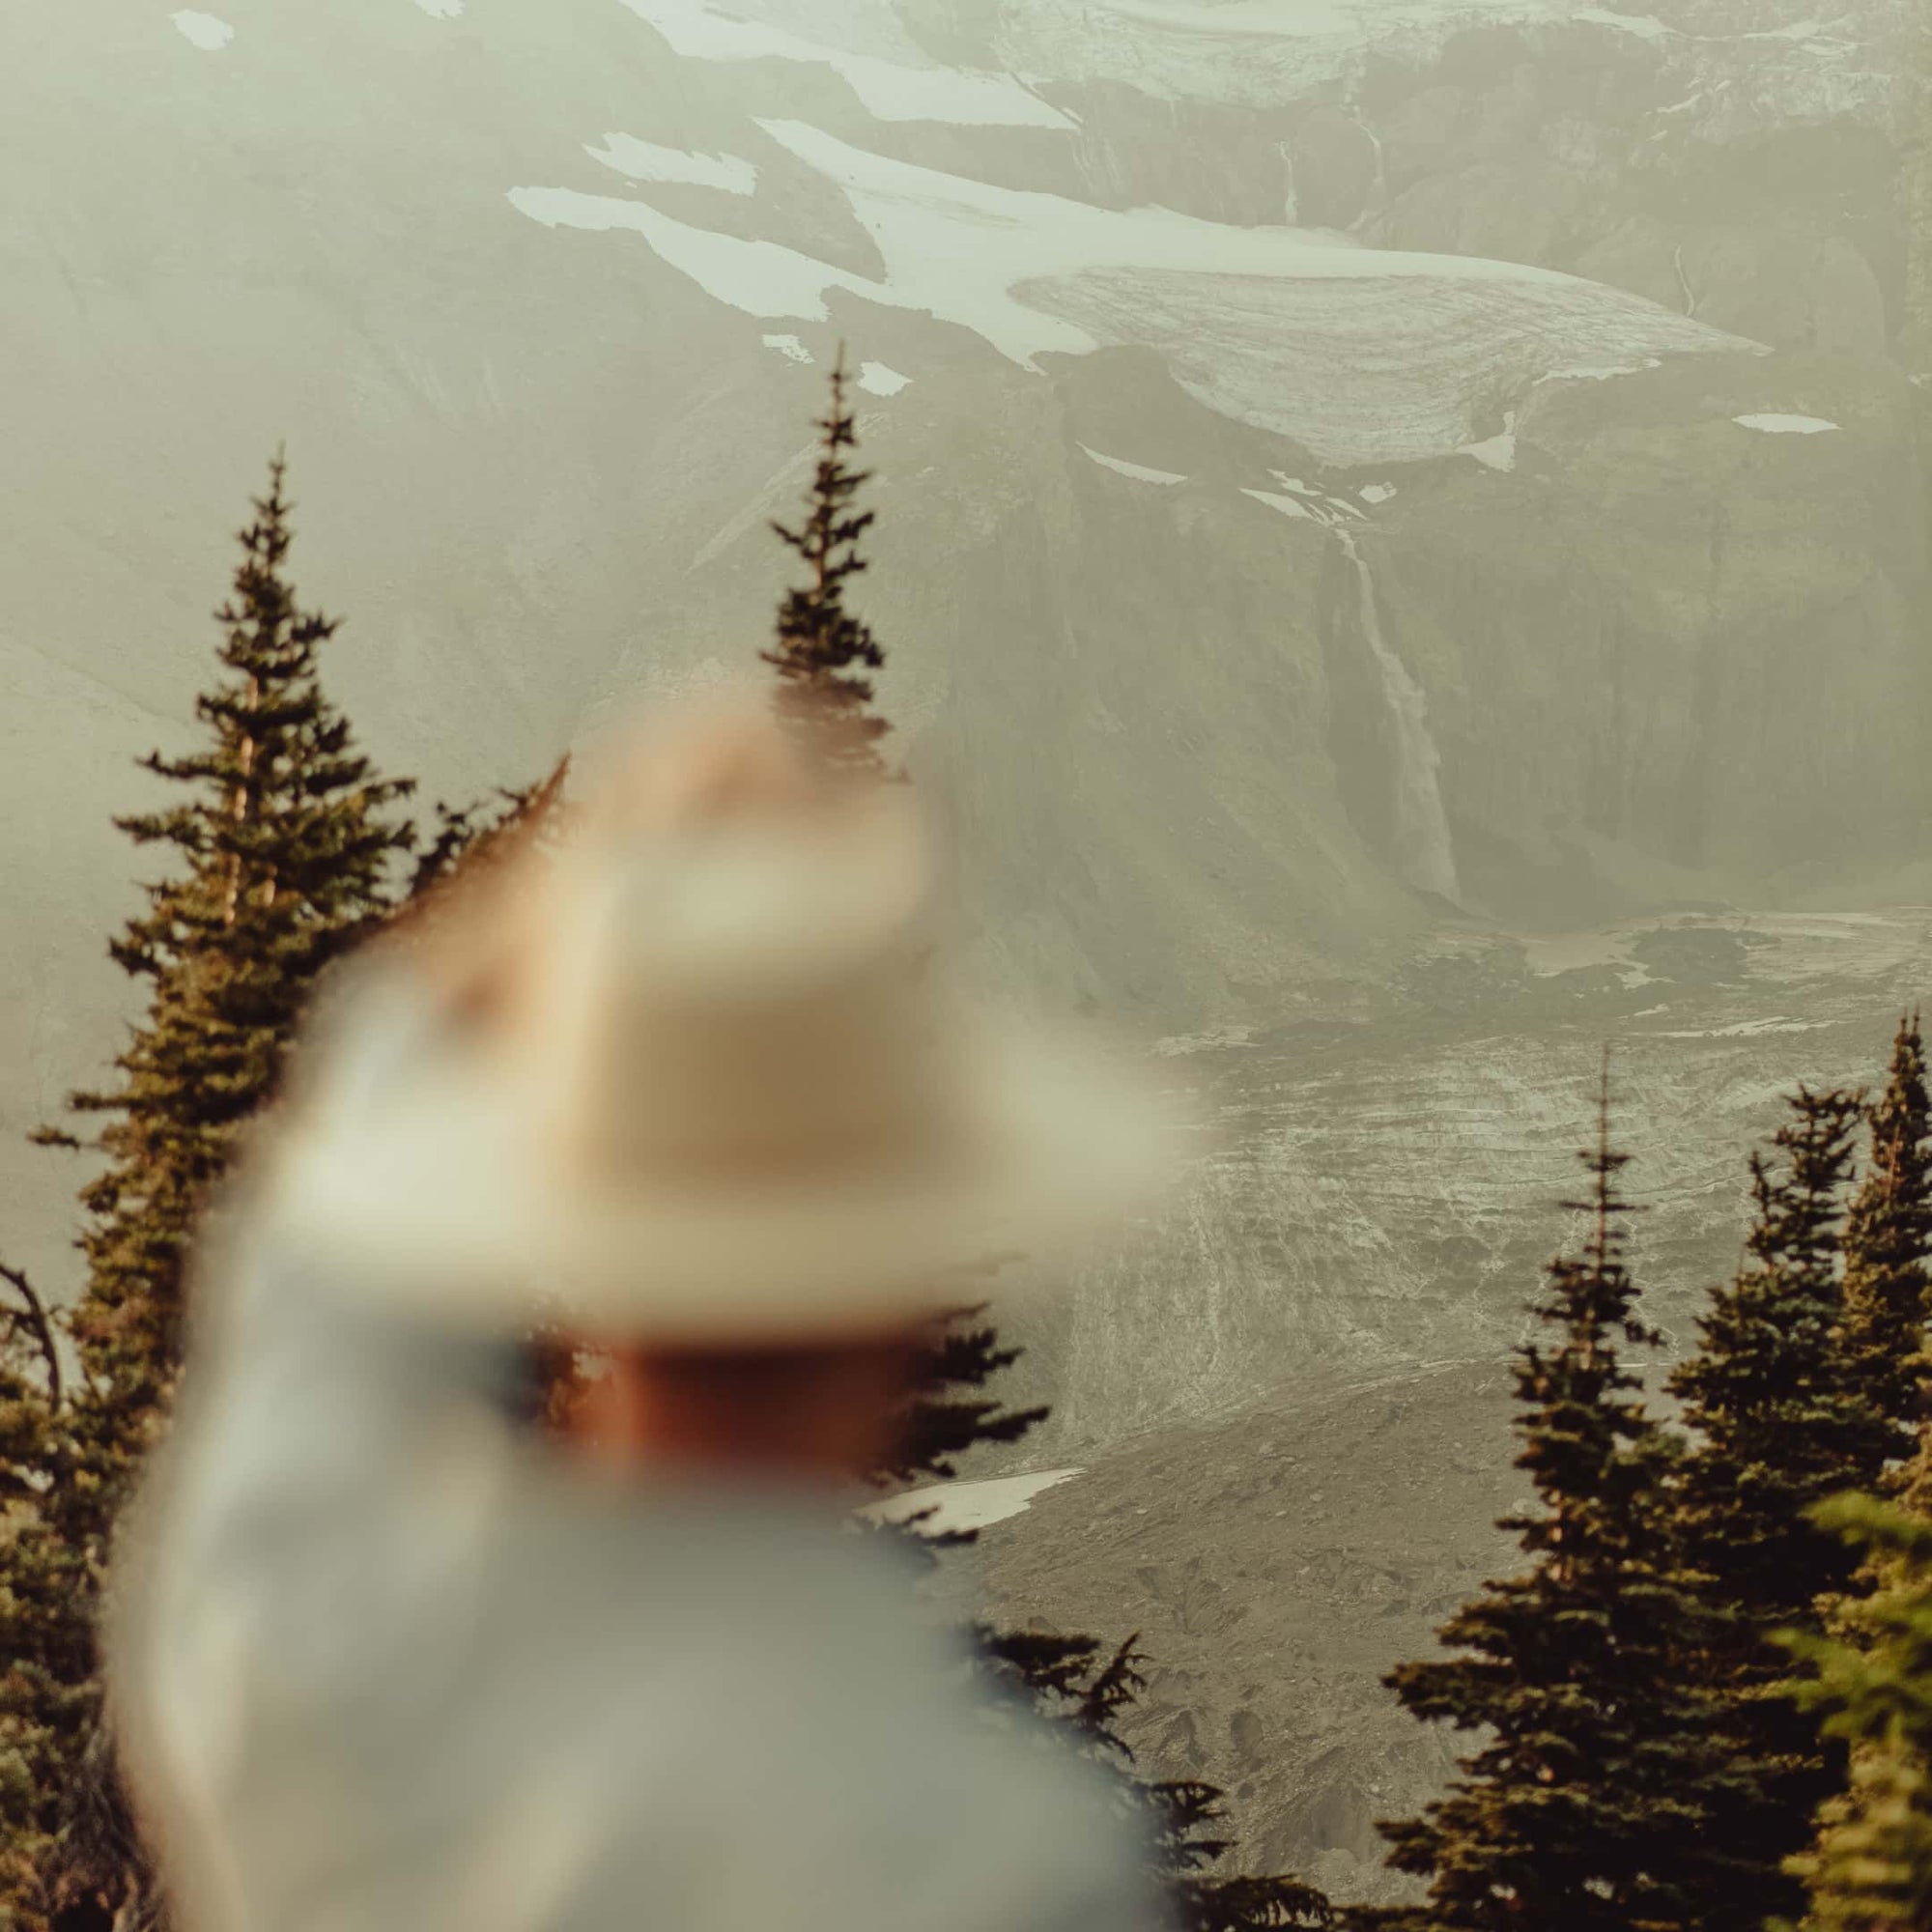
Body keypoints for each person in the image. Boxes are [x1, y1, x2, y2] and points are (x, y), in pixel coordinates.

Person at [103, 696, 1183, 1932]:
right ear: (906, 1309)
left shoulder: (322, 1641)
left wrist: (594, 907)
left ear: (579, 1258)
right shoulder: (998, 1860)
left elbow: (323, 1288)